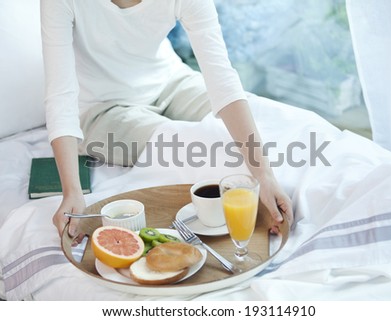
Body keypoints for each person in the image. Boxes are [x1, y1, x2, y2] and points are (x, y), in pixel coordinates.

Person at [41, 0, 294, 238]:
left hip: (171, 82)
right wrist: (72, 193)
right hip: (103, 109)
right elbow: (60, 96)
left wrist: (264, 175)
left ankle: (275, 195)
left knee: (265, 118)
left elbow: (222, 79)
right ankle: (253, 208)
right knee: (195, 146)